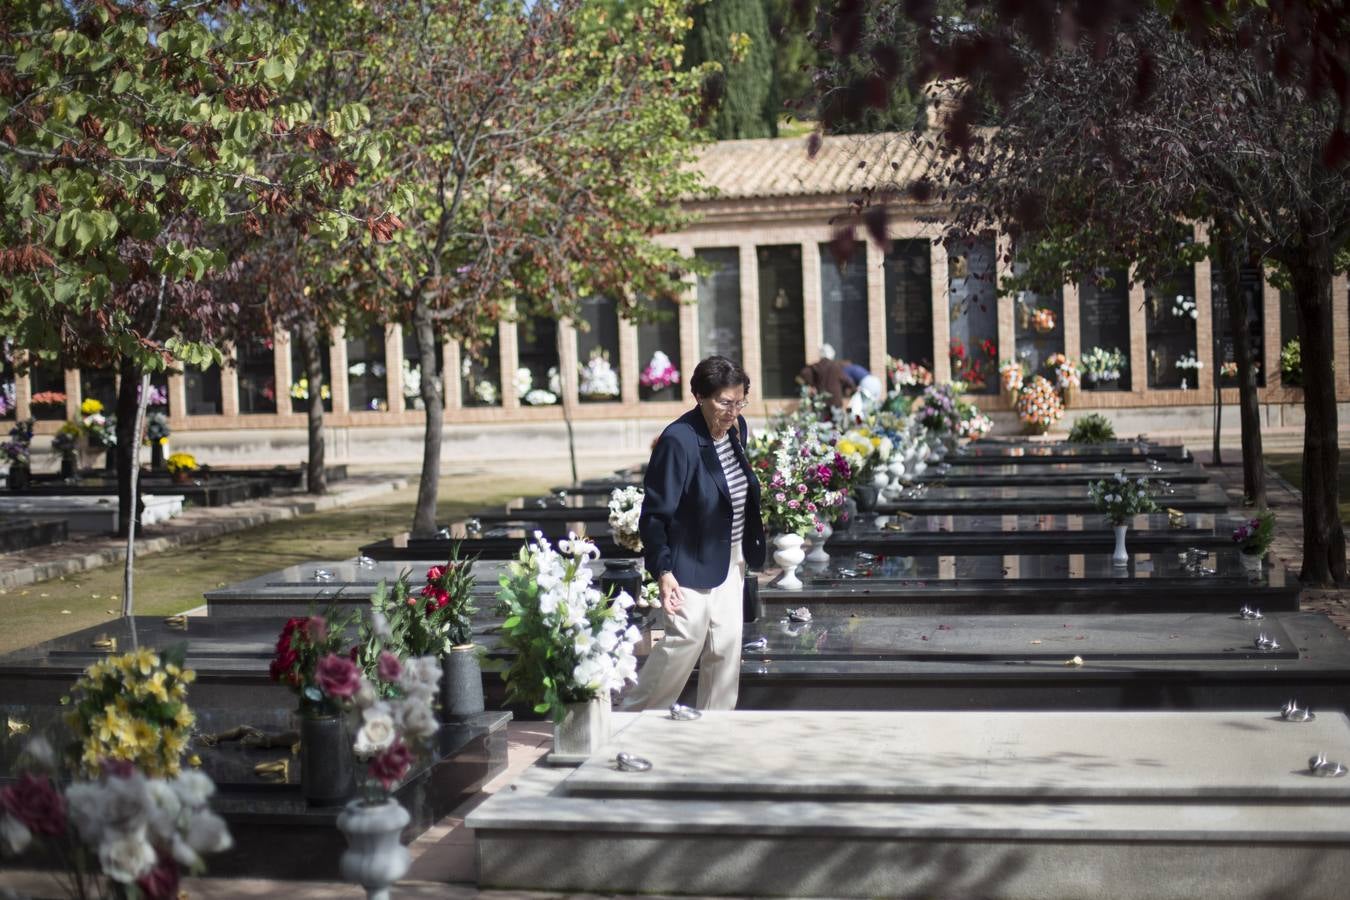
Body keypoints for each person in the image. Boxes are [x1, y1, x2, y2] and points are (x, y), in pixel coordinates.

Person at [623, 355, 766, 711]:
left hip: (731, 559)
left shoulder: (737, 429)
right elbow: (654, 515)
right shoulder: (678, 441)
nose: (732, 411)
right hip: (688, 561)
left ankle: (715, 729)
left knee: (726, 648)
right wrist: (663, 571)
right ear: (699, 395)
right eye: (724, 402)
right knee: (684, 641)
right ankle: (633, 718)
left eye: (739, 402)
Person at [796, 343, 855, 412]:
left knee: (820, 422)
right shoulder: (836, 367)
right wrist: (853, 389)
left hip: (821, 402)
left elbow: (800, 377)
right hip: (835, 402)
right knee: (836, 421)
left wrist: (809, 385)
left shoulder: (816, 366)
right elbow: (847, 381)